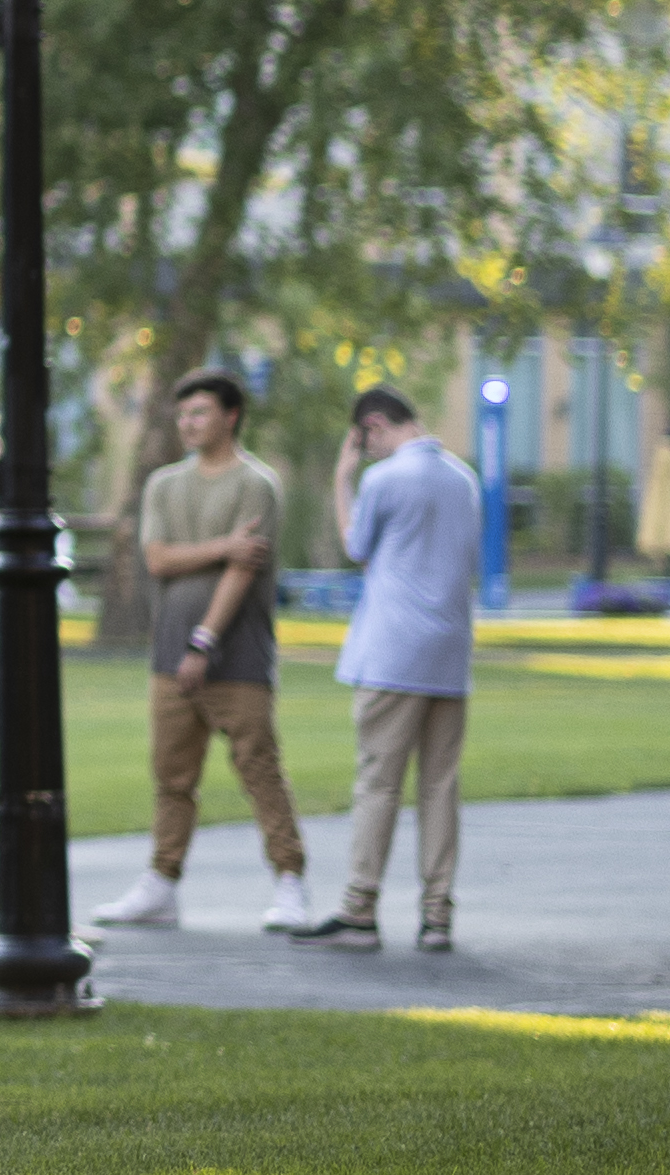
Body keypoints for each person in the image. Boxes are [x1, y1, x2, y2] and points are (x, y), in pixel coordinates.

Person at [111, 366, 313, 937]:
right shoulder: (164, 486)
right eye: (181, 415)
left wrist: (206, 640)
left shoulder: (256, 484)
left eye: (199, 413)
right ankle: (161, 883)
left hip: (237, 657)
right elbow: (157, 560)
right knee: (171, 775)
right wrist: (223, 545)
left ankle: (290, 882)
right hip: (168, 656)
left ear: (231, 416)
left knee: (259, 768)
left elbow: (242, 573)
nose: (187, 424)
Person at [323, 379, 490, 950]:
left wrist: (343, 479)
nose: (363, 450)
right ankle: (437, 912)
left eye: (362, 440)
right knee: (440, 785)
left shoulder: (384, 478)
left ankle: (359, 907)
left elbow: (355, 546)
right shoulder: (464, 480)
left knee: (379, 782)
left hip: (392, 653)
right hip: (449, 652)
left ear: (372, 426)